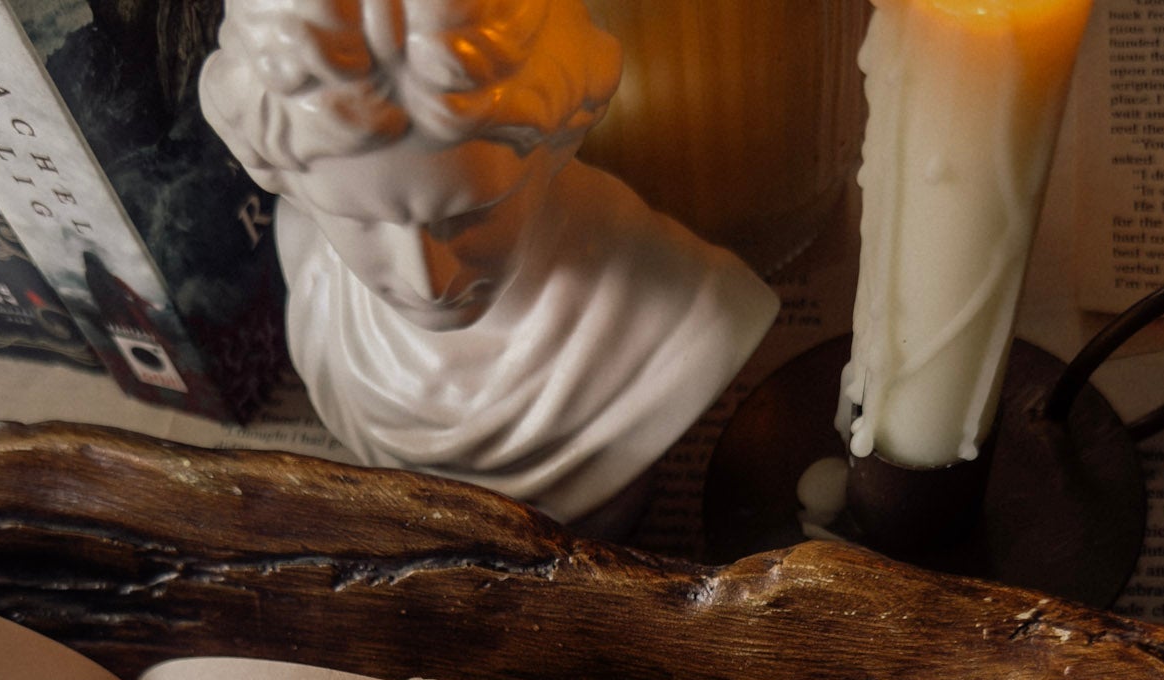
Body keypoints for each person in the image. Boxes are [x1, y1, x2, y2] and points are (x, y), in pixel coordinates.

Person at [200, 0, 778, 524]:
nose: (425, 279)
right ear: (284, 179)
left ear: (557, 141)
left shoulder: (686, 309)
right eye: (360, 220)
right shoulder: (312, 274)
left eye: (470, 214)